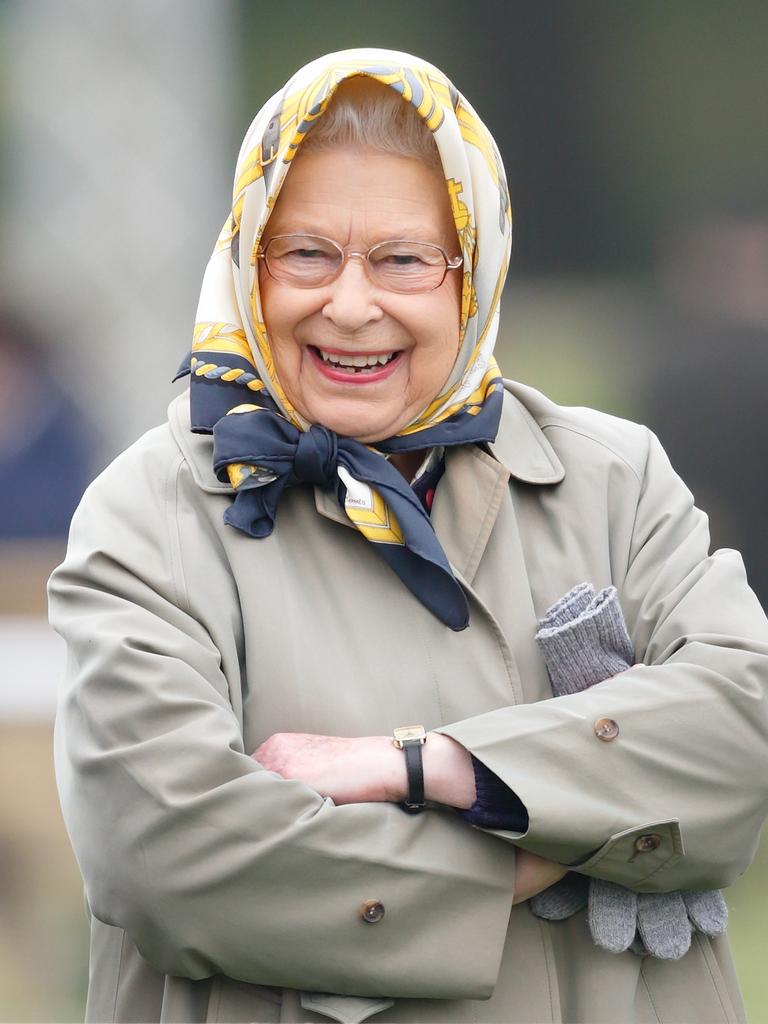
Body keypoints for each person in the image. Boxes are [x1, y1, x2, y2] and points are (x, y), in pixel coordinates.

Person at [49, 48, 768, 1024]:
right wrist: (554, 831)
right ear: (245, 259)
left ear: (476, 270)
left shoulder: (614, 477)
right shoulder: (152, 513)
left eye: (403, 258)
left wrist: (435, 767)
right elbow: (170, 853)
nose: (350, 305)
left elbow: (742, 729)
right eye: (304, 252)